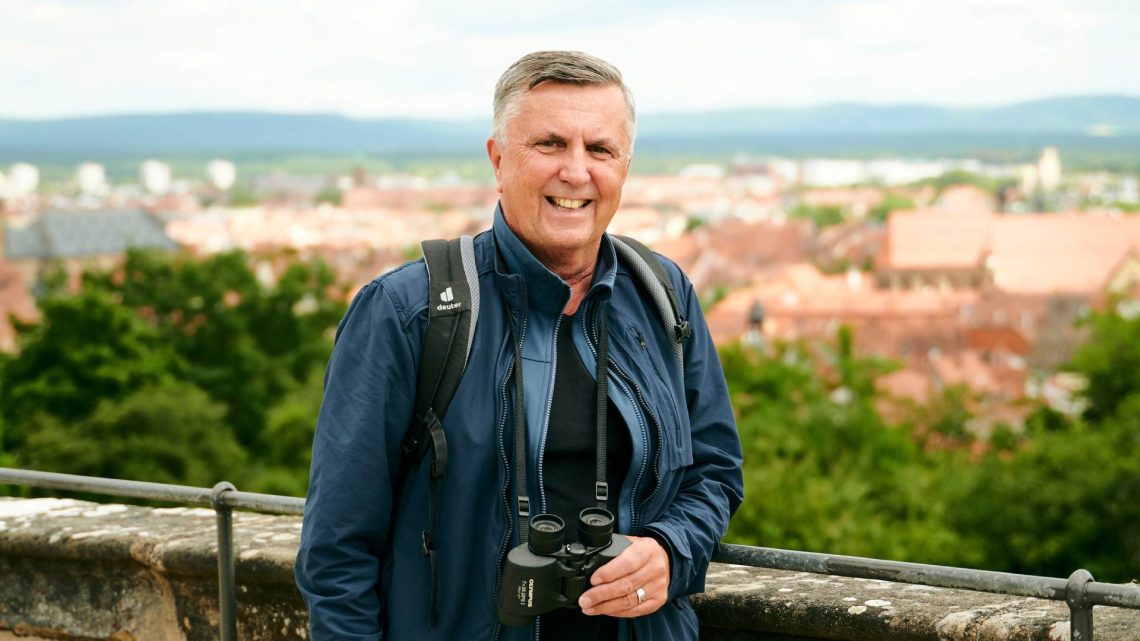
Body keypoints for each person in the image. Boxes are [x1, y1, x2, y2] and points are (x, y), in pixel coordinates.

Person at [296, 50, 744, 641]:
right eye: (551, 143)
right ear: (499, 159)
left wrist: (671, 549)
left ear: (625, 167)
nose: (577, 171)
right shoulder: (408, 312)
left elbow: (716, 471)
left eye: (600, 150)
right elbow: (337, 550)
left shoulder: (663, 295)